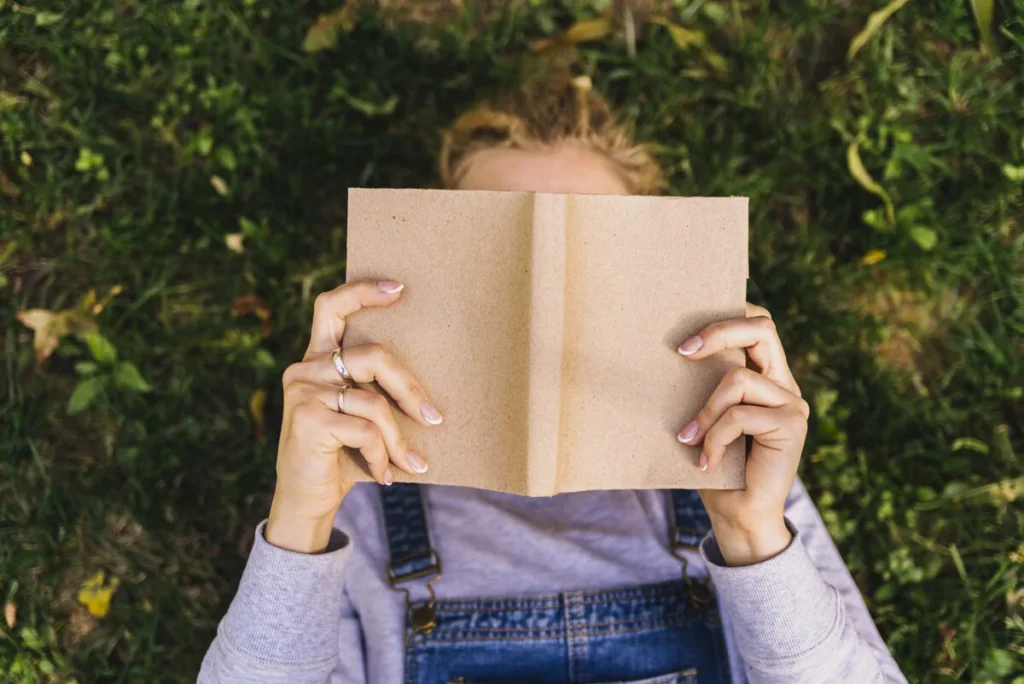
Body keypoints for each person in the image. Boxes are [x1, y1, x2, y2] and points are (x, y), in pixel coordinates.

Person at [198, 73, 907, 683]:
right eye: (493, 257)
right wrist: (299, 520)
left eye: (587, 264)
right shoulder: (360, 485)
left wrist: (752, 536)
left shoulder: (740, 474)